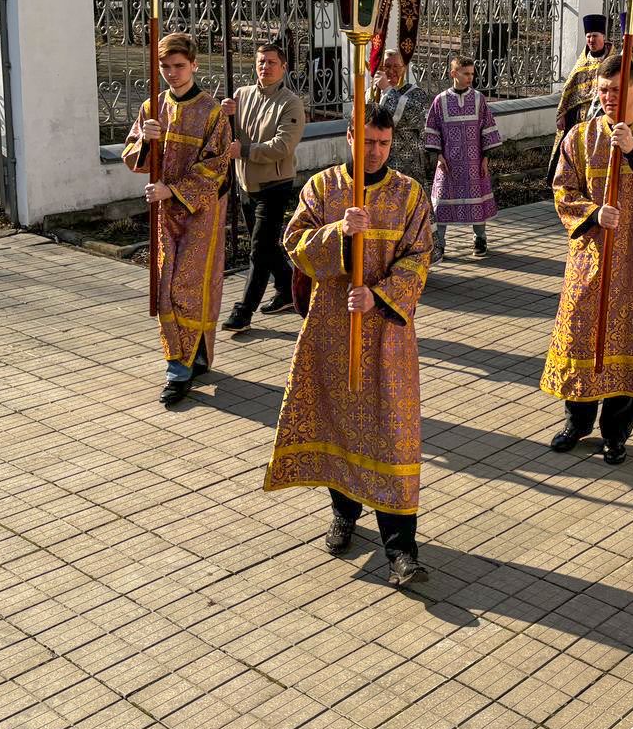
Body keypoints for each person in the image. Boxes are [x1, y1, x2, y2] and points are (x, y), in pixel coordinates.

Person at [263, 108, 434, 586]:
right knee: (339, 422)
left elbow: (421, 256)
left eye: (383, 143)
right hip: (333, 329)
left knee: (390, 432)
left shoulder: (409, 194)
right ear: (350, 138)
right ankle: (343, 514)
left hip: (387, 336)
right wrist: (339, 232)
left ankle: (402, 550)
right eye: (367, 142)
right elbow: (293, 242)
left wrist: (379, 294)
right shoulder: (322, 188)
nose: (375, 151)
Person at [545, 54, 633, 464]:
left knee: (628, 342)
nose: (608, 97)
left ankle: (616, 432)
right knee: (583, 337)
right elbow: (561, 189)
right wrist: (591, 212)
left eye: (616, 91)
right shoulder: (579, 136)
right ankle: (577, 421)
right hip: (592, 256)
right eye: (603, 90)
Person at [122, 32, 231, 408]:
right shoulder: (153, 107)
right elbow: (132, 155)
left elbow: (217, 165)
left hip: (201, 214)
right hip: (164, 215)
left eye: (179, 66)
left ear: (195, 65)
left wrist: (174, 190)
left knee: (190, 286)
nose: (171, 73)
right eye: (165, 67)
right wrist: (147, 142)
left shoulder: (212, 111)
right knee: (166, 284)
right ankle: (178, 365)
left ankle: (194, 355)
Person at [222, 41, 306, 332]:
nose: (265, 67)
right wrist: (224, 114)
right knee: (268, 247)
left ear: (283, 67)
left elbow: (282, 146)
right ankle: (287, 289)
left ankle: (243, 312)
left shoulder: (291, 102)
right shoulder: (241, 96)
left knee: (258, 251)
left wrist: (244, 151)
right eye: (260, 62)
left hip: (275, 184)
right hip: (246, 184)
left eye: (271, 62)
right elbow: (229, 135)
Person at [424, 55, 501, 262]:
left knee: (478, 201)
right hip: (448, 163)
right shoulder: (439, 100)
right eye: (466, 73)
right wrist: (438, 156)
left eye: (472, 74)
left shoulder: (479, 99)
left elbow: (487, 129)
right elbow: (432, 130)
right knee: (440, 203)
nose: (470, 77)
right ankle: (439, 242)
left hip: (474, 161)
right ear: (453, 74)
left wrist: (485, 157)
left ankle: (480, 239)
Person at [551, 14, 612, 180]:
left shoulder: (612, 61)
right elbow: (568, 90)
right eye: (588, 36)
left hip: (604, 117)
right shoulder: (581, 63)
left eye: (595, 36)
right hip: (579, 118)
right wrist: (562, 114)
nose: (591, 40)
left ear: (604, 37)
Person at [374, 49, 429, 185]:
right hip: (379, 161)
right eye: (387, 66)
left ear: (404, 68)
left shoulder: (417, 93)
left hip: (408, 164)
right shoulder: (373, 93)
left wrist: (387, 90)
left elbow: (408, 115)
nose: (391, 71)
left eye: (396, 66)